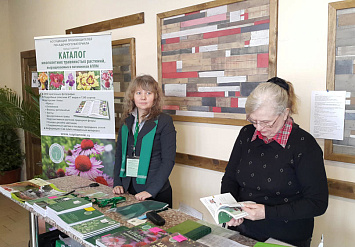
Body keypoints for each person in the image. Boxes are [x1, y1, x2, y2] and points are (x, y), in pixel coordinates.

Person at [221, 77, 328, 247]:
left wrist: (267, 212)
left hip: (285, 237)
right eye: (253, 121)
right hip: (242, 231)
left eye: (266, 123)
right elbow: (230, 178)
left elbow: (317, 203)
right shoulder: (246, 134)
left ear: (285, 113)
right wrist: (230, 209)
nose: (259, 128)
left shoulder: (304, 145)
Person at [113, 75, 176, 208]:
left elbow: (168, 160)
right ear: (132, 96)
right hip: (128, 188)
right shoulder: (126, 120)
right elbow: (119, 154)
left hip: (155, 191)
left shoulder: (164, 121)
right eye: (139, 93)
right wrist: (117, 182)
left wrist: (151, 190)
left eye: (148, 93)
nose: (143, 97)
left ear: (155, 97)